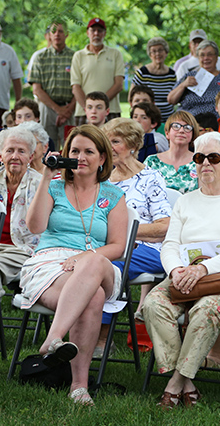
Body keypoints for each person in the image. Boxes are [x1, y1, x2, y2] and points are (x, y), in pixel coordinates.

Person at [142, 132, 220, 409]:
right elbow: (170, 244)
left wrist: (203, 269)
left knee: (206, 309)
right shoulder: (185, 200)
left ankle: (174, 385)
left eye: (214, 158)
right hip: (186, 277)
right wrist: (176, 271)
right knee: (153, 304)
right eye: (199, 158)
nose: (205, 163)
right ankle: (186, 382)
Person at [21, 124, 128, 405]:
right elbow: (35, 226)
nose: (80, 157)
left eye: (88, 151)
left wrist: (84, 258)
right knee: (93, 298)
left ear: (102, 158)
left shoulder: (114, 196)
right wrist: (45, 177)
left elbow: (118, 246)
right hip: (51, 263)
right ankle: (79, 386)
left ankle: (53, 337)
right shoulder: (55, 187)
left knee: (94, 262)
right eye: (74, 151)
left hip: (99, 263)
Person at [93, 118, 172, 355]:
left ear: (133, 145)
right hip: (104, 246)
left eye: (115, 141)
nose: (109, 147)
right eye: (106, 142)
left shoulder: (150, 178)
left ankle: (101, 338)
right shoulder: (102, 180)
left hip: (148, 249)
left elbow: (164, 227)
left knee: (107, 266)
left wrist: (123, 232)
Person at [0, 126, 42, 291]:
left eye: (21, 151)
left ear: (31, 156)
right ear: (0, 155)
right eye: (10, 150)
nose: (15, 156)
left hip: (23, 249)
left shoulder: (41, 184)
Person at [26, 22, 76, 146]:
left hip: (70, 108)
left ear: (67, 34)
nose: (57, 34)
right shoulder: (40, 57)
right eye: (54, 31)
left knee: (70, 146)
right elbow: (37, 89)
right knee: (46, 145)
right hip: (47, 109)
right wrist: (58, 110)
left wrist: (67, 110)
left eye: (60, 31)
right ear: (49, 34)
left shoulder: (75, 57)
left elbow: (80, 86)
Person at [71, 18, 124, 124]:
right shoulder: (78, 56)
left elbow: (119, 85)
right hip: (83, 112)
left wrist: (101, 106)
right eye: (93, 30)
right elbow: (76, 87)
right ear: (87, 33)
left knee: (112, 140)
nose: (96, 33)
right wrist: (89, 108)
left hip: (111, 111)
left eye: (100, 31)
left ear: (104, 33)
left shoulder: (115, 54)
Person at [168, 40, 220, 118]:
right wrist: (183, 85)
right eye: (202, 55)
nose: (206, 58)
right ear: (198, 58)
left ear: (216, 57)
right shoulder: (190, 76)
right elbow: (171, 100)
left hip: (217, 124)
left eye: (210, 55)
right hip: (189, 123)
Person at [144, 110, 200, 193]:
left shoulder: (200, 162)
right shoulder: (152, 162)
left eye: (187, 127)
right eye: (176, 126)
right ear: (167, 133)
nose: (181, 130)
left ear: (193, 135)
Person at [131, 37, 177, 122]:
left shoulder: (172, 74)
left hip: (168, 119)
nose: (157, 54)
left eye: (160, 50)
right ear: (150, 54)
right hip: (147, 120)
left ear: (166, 52)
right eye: (154, 51)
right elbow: (132, 97)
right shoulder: (142, 73)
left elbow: (174, 96)